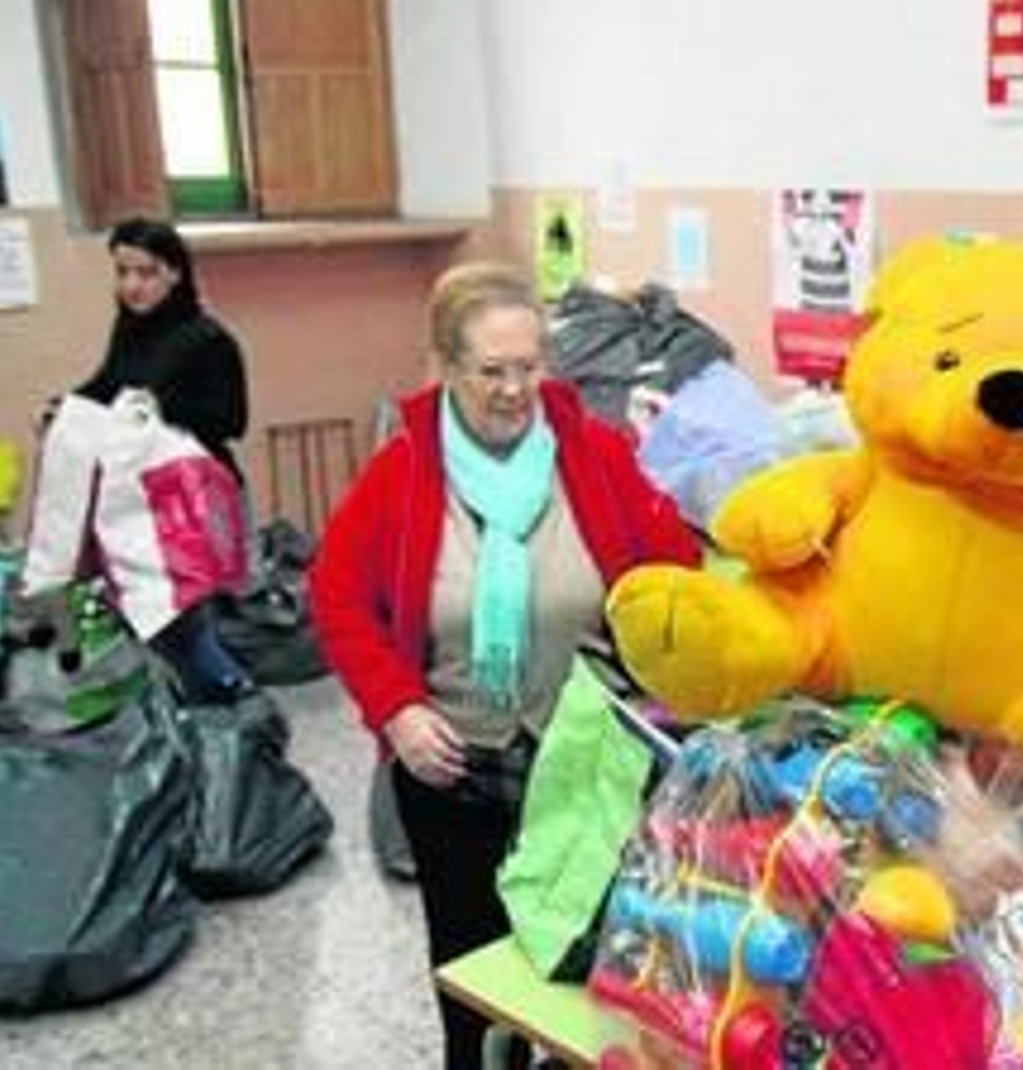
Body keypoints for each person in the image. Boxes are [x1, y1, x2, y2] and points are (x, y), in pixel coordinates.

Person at [309, 262, 701, 1069]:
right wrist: (396, 709)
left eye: (529, 367)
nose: (515, 389)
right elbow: (337, 596)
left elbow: (673, 570)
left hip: (588, 763)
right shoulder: (404, 472)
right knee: (473, 970)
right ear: (449, 367)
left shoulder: (592, 452)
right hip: (457, 768)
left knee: (580, 966)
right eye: (492, 371)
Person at [72, 216, 254, 704]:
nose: (131, 285)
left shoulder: (207, 339)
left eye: (145, 272)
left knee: (185, 627)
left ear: (174, 272)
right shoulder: (130, 330)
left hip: (195, 500)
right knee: (149, 622)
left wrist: (158, 404)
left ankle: (244, 713)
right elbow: (107, 385)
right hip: (140, 501)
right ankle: (202, 724)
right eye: (122, 272)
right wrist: (67, 409)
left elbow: (232, 421)